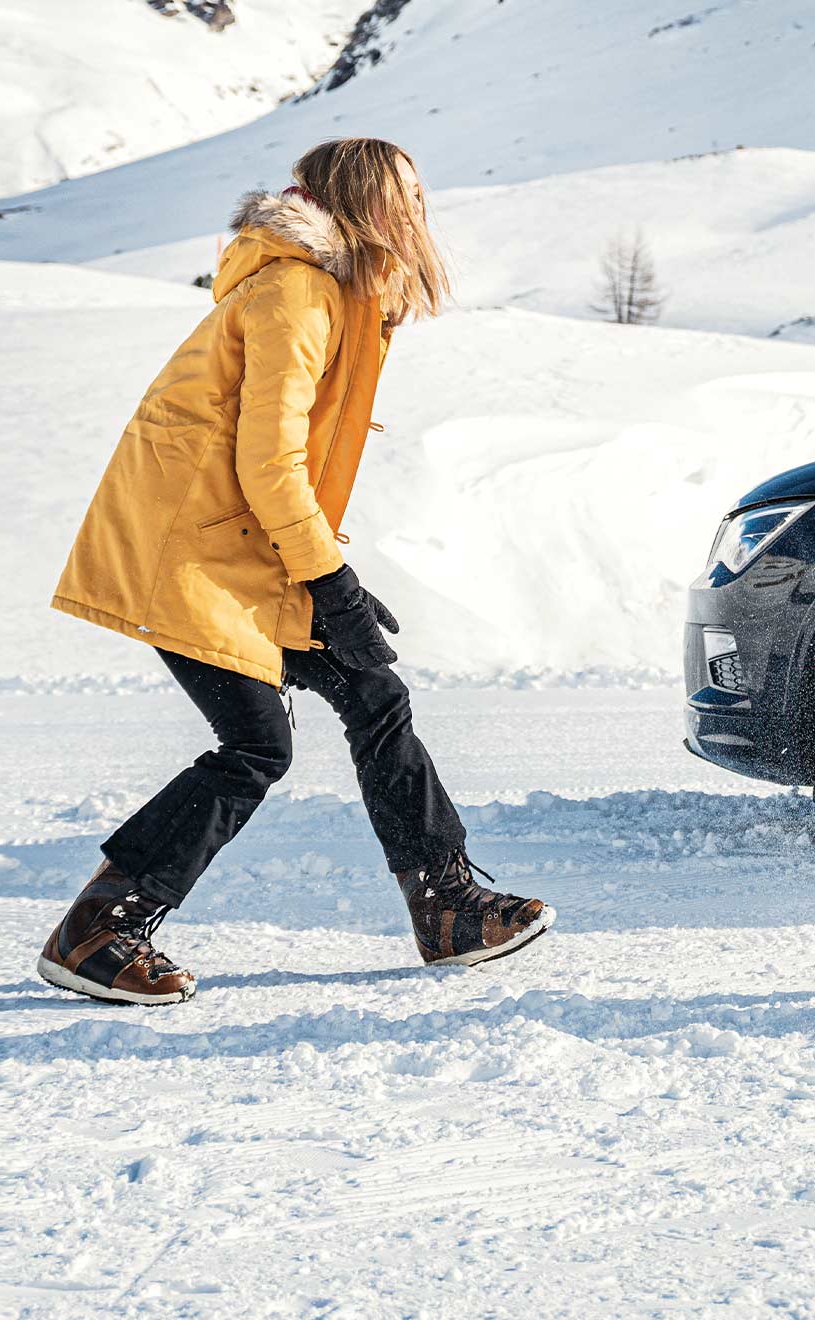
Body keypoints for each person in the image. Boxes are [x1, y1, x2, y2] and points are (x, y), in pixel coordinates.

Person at [38, 138, 550, 1005]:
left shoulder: (336, 292)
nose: (423, 215)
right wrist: (330, 580)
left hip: (246, 550)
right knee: (254, 745)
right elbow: (268, 464)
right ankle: (98, 929)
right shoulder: (295, 292)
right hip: (191, 552)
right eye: (410, 197)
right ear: (368, 205)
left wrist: (321, 575)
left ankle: (447, 906)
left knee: (374, 696)